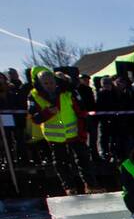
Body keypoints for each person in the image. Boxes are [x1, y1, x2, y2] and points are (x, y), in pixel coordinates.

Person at [25, 67, 95, 195]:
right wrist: (47, 113)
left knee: (83, 158)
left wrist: (84, 128)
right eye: (45, 83)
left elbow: (81, 110)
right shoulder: (34, 95)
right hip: (54, 135)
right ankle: (69, 187)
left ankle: (91, 185)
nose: (49, 85)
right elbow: (34, 117)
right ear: (40, 83)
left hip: (74, 132)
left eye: (51, 82)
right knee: (61, 162)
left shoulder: (67, 91)